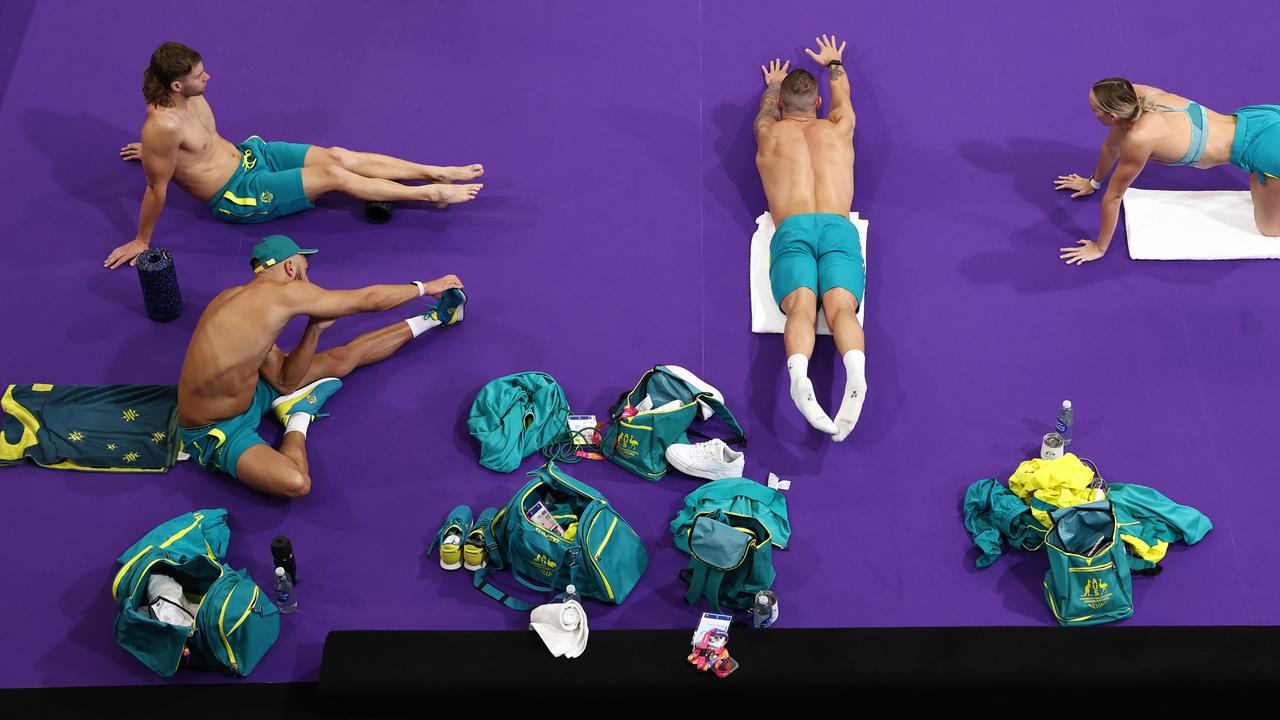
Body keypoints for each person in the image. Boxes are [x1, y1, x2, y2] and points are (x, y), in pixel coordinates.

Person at [106, 42, 484, 269]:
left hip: (253, 156)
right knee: (334, 177)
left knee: (339, 155)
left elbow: (191, 139)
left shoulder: (179, 103)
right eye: (199, 76)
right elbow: (157, 188)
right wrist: (142, 239)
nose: (208, 78)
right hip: (239, 193)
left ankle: (437, 172)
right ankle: (430, 194)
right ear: (176, 85)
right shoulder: (162, 128)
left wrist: (161, 154)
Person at [176, 234, 467, 498]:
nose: (308, 276)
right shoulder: (285, 293)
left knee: (340, 360)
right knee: (296, 482)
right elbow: (366, 300)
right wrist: (426, 287)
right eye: (305, 268)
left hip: (250, 388)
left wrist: (314, 331)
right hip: (217, 428)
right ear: (289, 268)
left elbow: (284, 382)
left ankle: (437, 317)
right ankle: (299, 415)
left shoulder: (231, 298)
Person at [754, 34, 866, 441]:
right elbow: (843, 99)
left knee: (801, 307)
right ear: (817, 104)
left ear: (782, 106)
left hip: (793, 229)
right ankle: (857, 374)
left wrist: (771, 86)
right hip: (837, 227)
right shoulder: (839, 129)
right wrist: (834, 63)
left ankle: (799, 376)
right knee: (841, 310)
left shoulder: (769, 132)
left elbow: (765, 114)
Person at [1056, 77, 1280, 265]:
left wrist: (1100, 247)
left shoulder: (1139, 138)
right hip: (1260, 118)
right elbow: (1110, 147)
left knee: (1269, 229)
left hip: (1267, 149)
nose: (1091, 113)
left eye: (1093, 110)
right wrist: (1093, 182)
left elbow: (1114, 197)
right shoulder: (1137, 94)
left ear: (1112, 117)